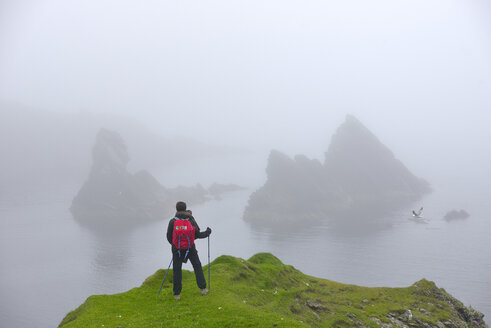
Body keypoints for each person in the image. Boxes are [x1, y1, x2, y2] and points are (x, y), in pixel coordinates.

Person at [166, 201, 212, 300]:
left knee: (177, 270)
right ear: (185, 208)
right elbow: (198, 235)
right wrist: (208, 232)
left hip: (176, 249)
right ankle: (203, 289)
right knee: (197, 266)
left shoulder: (173, 221)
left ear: (176, 209)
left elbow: (169, 237)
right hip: (190, 248)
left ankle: (177, 294)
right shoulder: (191, 220)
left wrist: (176, 245)